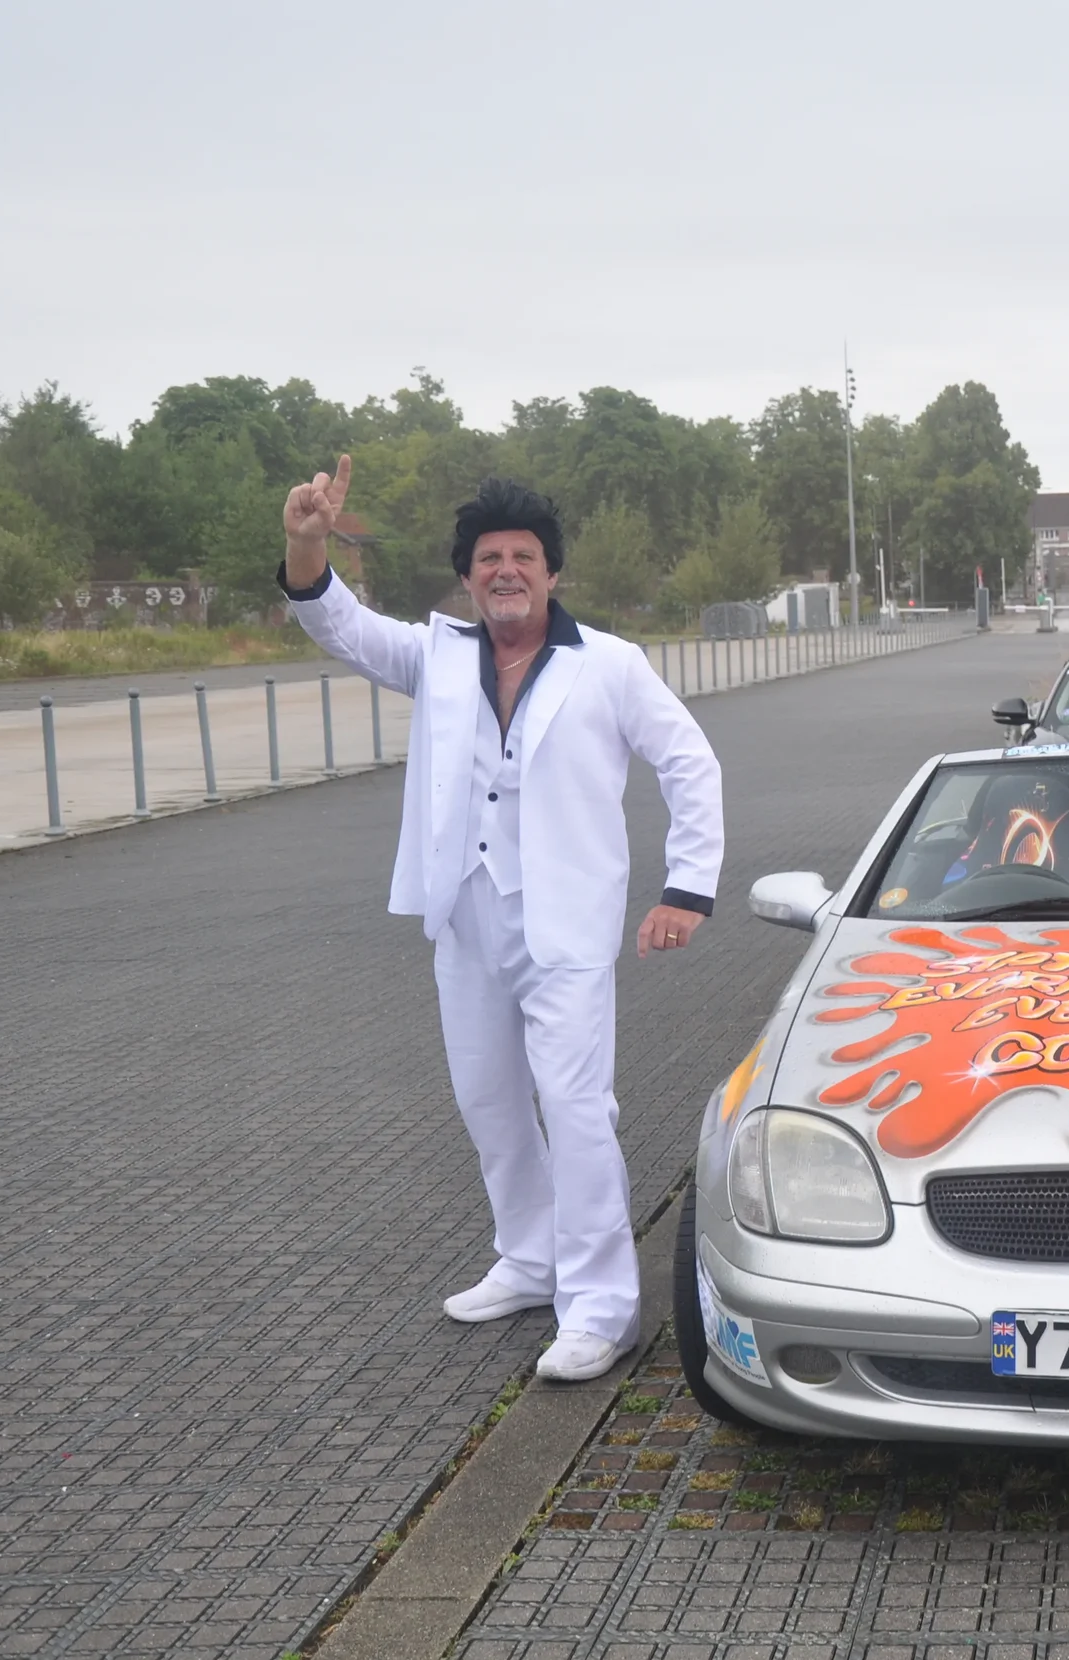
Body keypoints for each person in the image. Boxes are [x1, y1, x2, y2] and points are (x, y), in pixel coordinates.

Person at [278, 458, 724, 1382]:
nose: (506, 570)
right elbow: (340, 626)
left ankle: (600, 1305)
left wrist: (687, 888)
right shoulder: (437, 653)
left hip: (564, 924)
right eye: (489, 557)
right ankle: (529, 1261)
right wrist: (307, 540)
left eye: (524, 555)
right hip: (465, 916)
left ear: (552, 573)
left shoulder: (609, 665)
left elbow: (689, 763)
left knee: (575, 1109)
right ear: (468, 574)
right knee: (489, 1102)